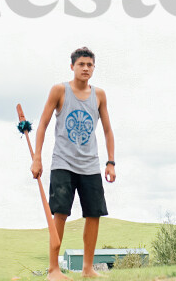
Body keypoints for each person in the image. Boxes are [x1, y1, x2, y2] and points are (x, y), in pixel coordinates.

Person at [31, 46, 116, 280]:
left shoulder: (99, 95)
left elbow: (108, 131)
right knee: (59, 213)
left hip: (90, 165)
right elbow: (43, 124)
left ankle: (88, 269)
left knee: (94, 214)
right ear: (72, 67)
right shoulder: (60, 91)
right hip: (63, 164)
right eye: (81, 64)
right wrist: (37, 157)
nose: (86, 68)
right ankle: (53, 270)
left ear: (93, 68)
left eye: (90, 64)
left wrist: (111, 162)